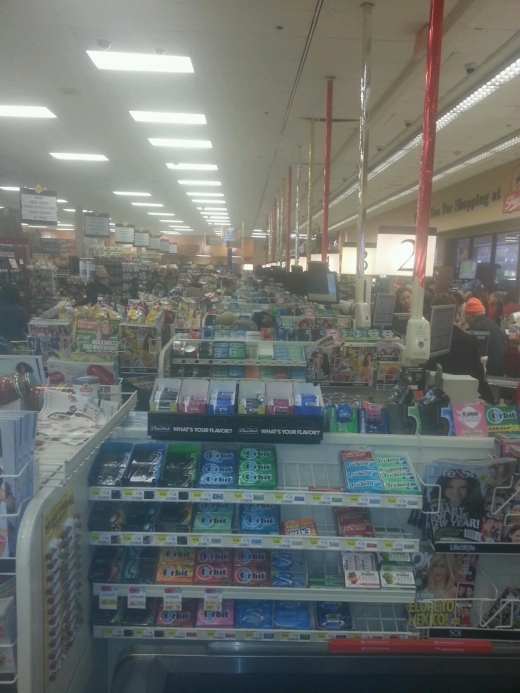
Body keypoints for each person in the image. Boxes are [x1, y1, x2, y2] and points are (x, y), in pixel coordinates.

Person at [425, 294, 493, 401]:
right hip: (463, 398)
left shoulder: (424, 338)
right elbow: (478, 377)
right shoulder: (469, 341)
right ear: (456, 312)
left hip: (430, 397)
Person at [464, 297, 506, 376]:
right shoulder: (495, 326)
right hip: (501, 371)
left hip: (488, 374)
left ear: (471, 315)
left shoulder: (473, 331)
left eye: (465, 315)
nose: (465, 318)